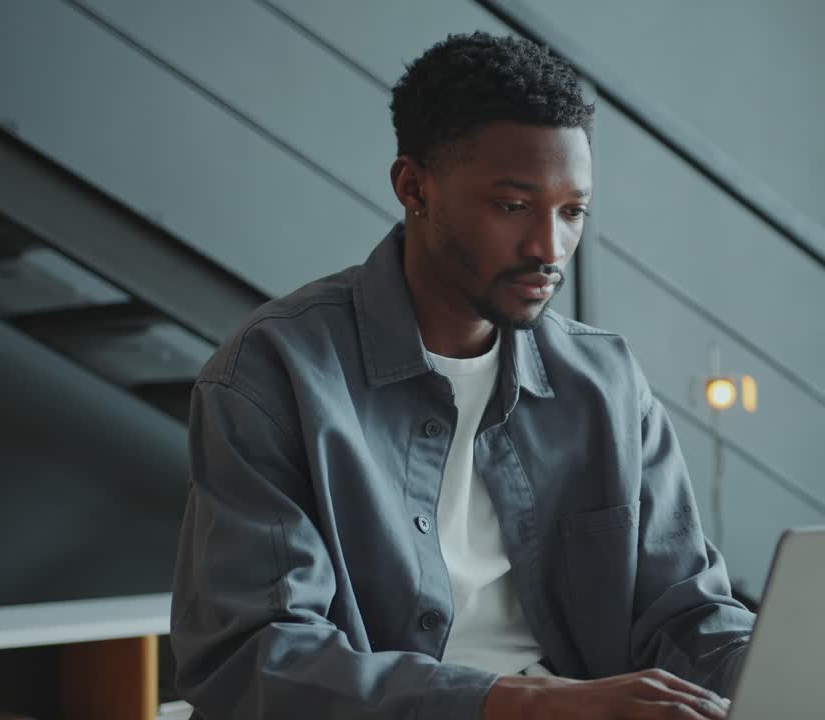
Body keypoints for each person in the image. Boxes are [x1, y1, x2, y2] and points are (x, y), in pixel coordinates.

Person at [170, 31, 755, 720]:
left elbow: (683, 612)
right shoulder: (273, 376)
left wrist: (793, 670)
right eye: (513, 207)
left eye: (573, 213)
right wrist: (527, 705)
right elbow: (260, 657)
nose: (549, 247)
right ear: (413, 187)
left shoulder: (607, 382)